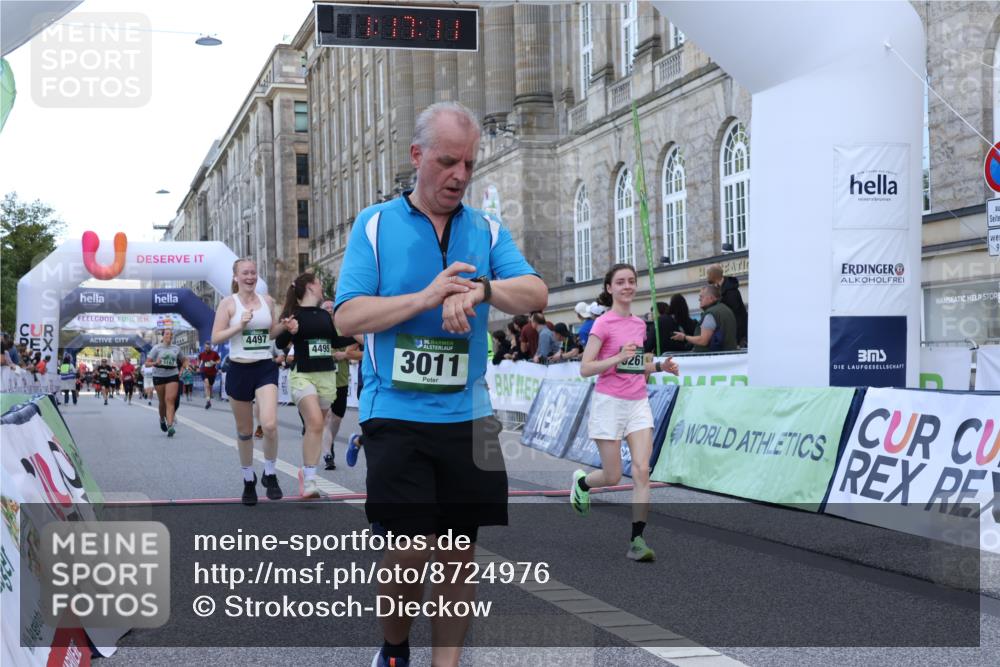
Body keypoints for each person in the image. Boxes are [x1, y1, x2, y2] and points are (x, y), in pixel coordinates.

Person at [334, 101, 547, 667]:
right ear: (417, 156)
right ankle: (395, 647)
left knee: (457, 557)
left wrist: (483, 292)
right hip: (394, 411)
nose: (459, 176)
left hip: (470, 415)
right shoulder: (374, 224)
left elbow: (536, 294)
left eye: (469, 165)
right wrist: (427, 298)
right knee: (410, 554)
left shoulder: (487, 229)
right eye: (448, 161)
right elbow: (347, 317)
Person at [572, 264, 678, 562]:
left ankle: (637, 541)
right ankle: (582, 483)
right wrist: (617, 356)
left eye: (631, 281)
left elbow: (637, 365)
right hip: (609, 403)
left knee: (642, 471)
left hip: (637, 403)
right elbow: (585, 368)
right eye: (621, 282)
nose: (627, 286)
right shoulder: (602, 324)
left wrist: (659, 367)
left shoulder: (639, 324)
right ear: (610, 288)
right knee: (613, 474)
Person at [273, 274, 355, 498]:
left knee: (316, 428)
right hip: (303, 376)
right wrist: (289, 330)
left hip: (326, 376)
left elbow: (335, 341)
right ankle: (310, 481)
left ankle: (305, 473)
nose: (322, 287)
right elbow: (280, 344)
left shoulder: (325, 315)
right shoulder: (294, 314)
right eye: (319, 283)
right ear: (310, 287)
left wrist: (361, 336)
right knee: (316, 422)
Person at [211, 257, 283, 506]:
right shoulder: (228, 304)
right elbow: (216, 337)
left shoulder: (268, 301)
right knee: (244, 432)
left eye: (253, 273)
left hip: (264, 367)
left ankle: (270, 473)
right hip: (239, 369)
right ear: (235, 277)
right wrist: (238, 326)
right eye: (245, 273)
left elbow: (270, 332)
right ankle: (248, 479)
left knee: (270, 424)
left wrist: (284, 327)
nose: (250, 277)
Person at [672, 285, 738, 352]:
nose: (699, 299)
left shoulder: (710, 314)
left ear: (711, 298)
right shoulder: (726, 309)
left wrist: (684, 337)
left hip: (713, 359)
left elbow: (703, 341)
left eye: (701, 297)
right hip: (728, 355)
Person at [145, 329, 181, 436]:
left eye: (170, 334)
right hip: (159, 376)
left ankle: (170, 426)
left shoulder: (176, 348)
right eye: (166, 334)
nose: (169, 336)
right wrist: (156, 362)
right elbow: (147, 363)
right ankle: (161, 419)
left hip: (172, 375)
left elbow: (184, 359)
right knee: (162, 402)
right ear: (163, 336)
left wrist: (184, 368)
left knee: (170, 400)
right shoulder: (156, 348)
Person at [706, 264, 748, 347]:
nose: (707, 277)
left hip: (737, 338)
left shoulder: (731, 291)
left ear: (713, 275)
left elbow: (735, 316)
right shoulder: (719, 288)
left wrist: (737, 339)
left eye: (708, 274)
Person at [198, 341, 220, 409]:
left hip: (212, 373)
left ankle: (209, 401)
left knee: (210, 387)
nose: (206, 348)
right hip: (203, 371)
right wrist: (198, 365)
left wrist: (214, 362)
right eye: (205, 347)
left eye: (208, 347)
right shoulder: (201, 354)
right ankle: (207, 401)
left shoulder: (215, 354)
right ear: (204, 347)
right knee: (206, 384)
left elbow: (219, 361)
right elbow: (198, 360)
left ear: (210, 347)